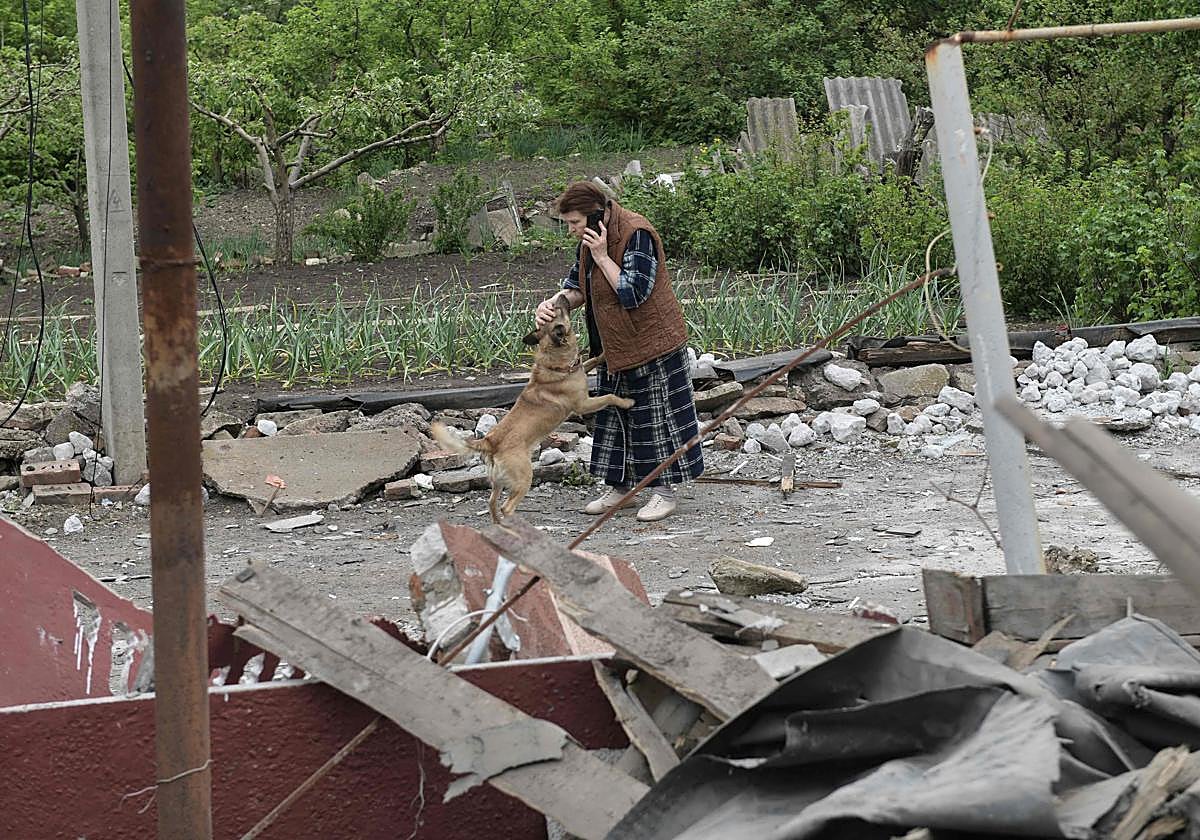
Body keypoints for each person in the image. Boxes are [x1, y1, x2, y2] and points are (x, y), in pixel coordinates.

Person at [534, 181, 703, 522]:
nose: (571, 231)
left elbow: (633, 291)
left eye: (575, 223)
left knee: (655, 419)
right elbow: (577, 286)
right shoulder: (590, 240)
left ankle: (663, 492)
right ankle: (622, 488)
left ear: (598, 214)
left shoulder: (636, 233)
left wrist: (601, 256)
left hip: (652, 342)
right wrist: (553, 305)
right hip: (616, 344)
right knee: (617, 418)